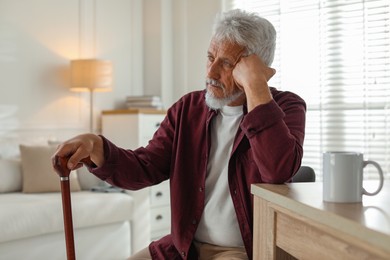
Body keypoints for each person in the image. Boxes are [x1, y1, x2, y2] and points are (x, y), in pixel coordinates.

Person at [52, 9, 306, 260]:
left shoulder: (287, 107)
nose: (210, 72)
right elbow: (145, 167)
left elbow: (278, 170)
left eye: (226, 63)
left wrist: (256, 87)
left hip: (240, 251)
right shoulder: (188, 109)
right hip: (184, 248)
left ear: (254, 69)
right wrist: (97, 146)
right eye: (210, 57)